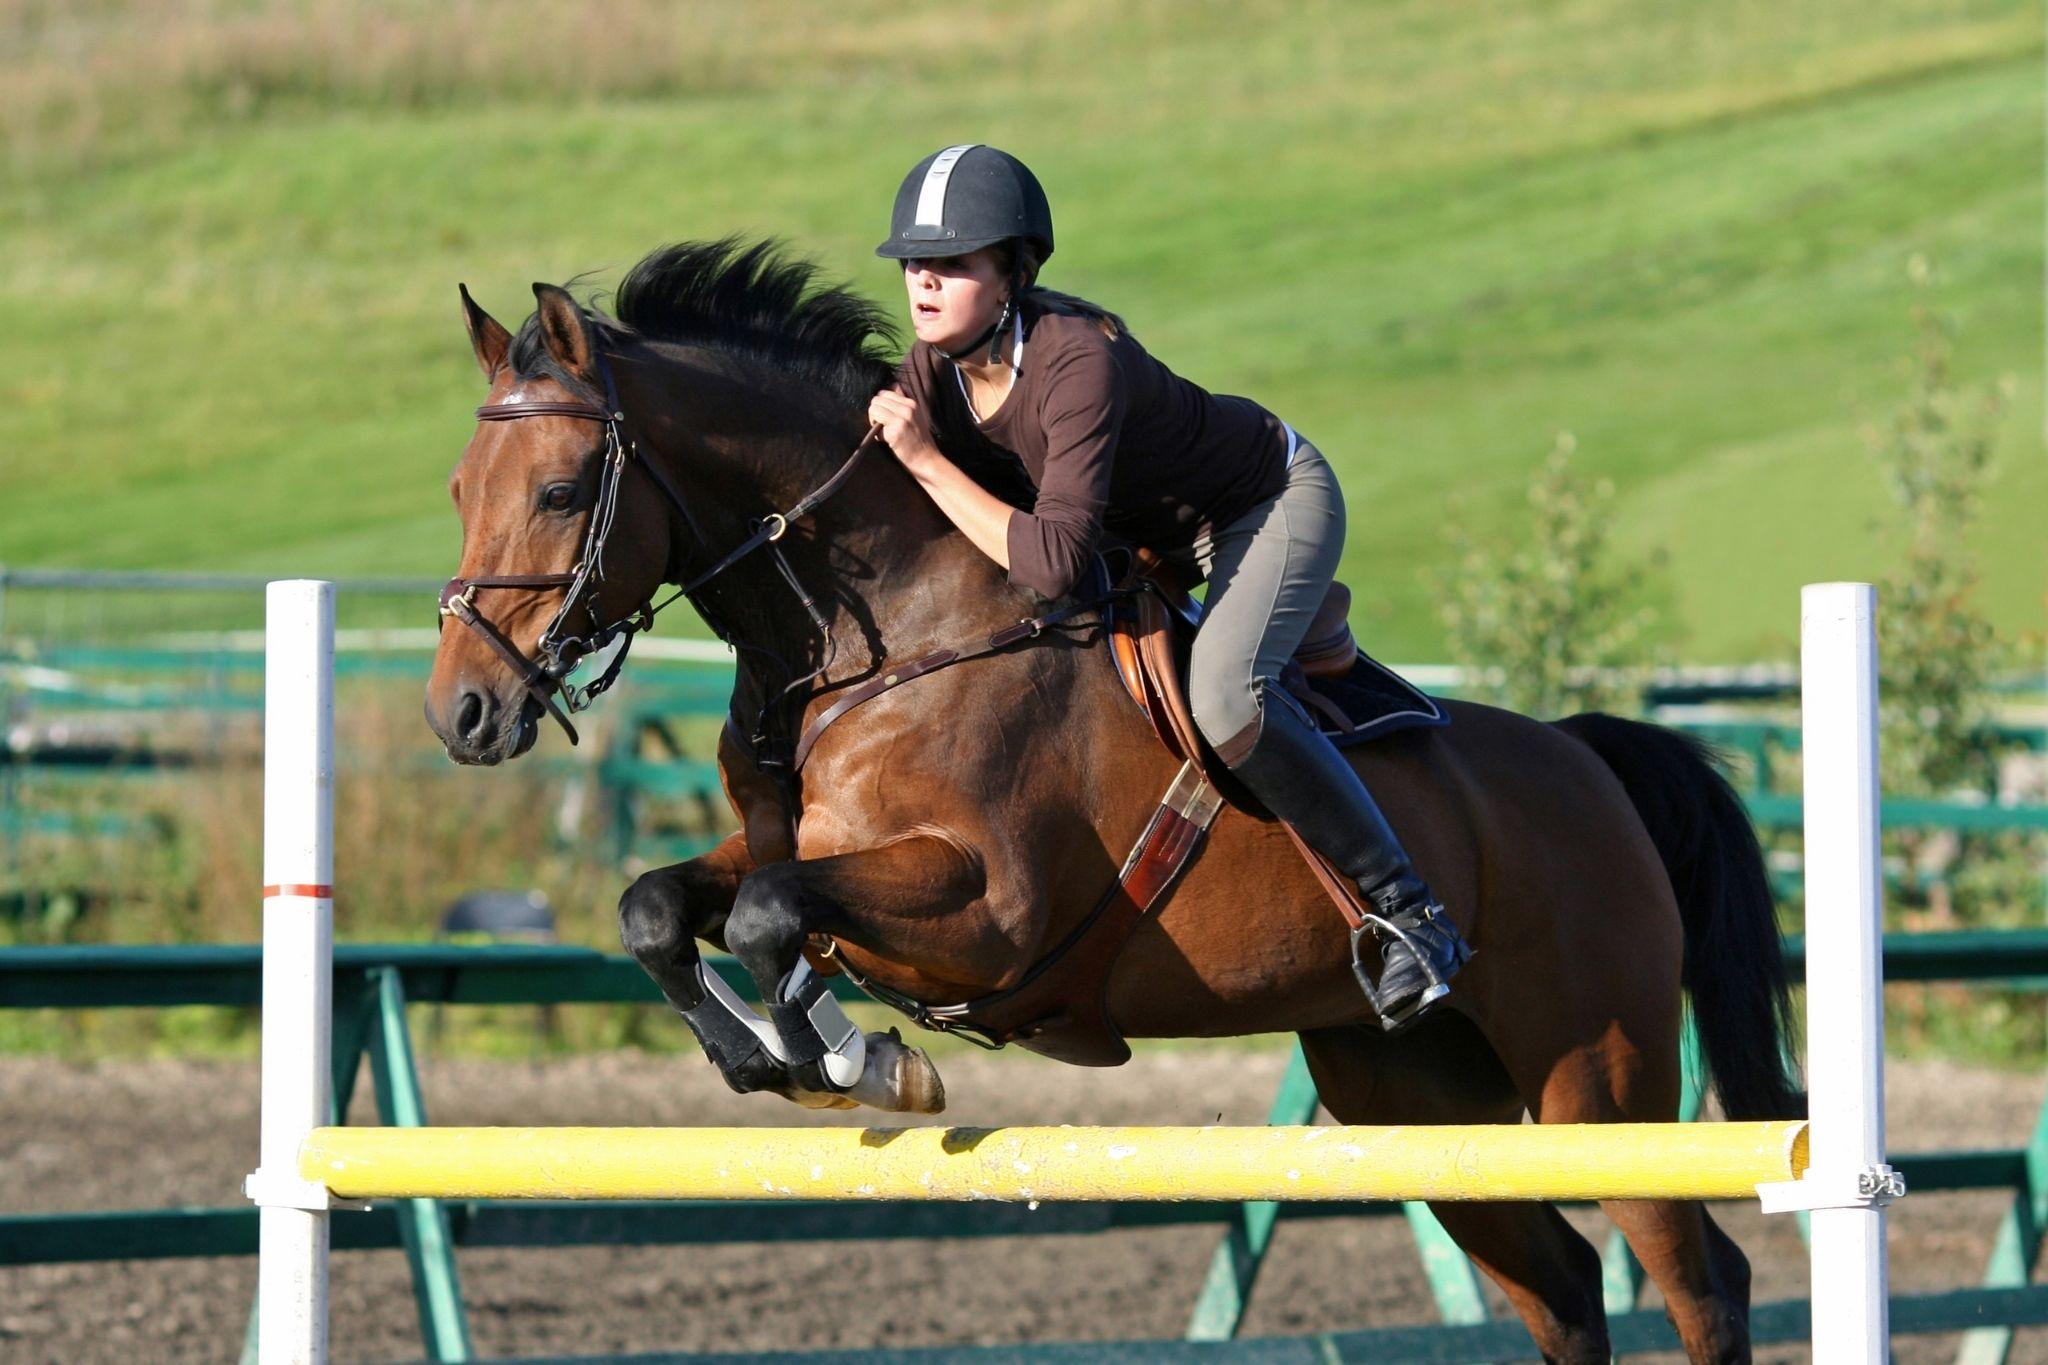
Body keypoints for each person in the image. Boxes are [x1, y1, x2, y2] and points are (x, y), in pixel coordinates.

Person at [865, 144, 1470, 1029]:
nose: (923, 282)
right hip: (1139, 540)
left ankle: (1411, 916)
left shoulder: (1074, 363)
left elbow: (1050, 563)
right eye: (915, 262)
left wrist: (921, 461)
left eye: (952, 263)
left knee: (1226, 700)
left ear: (1012, 274)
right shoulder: (934, 369)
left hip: (1259, 503)